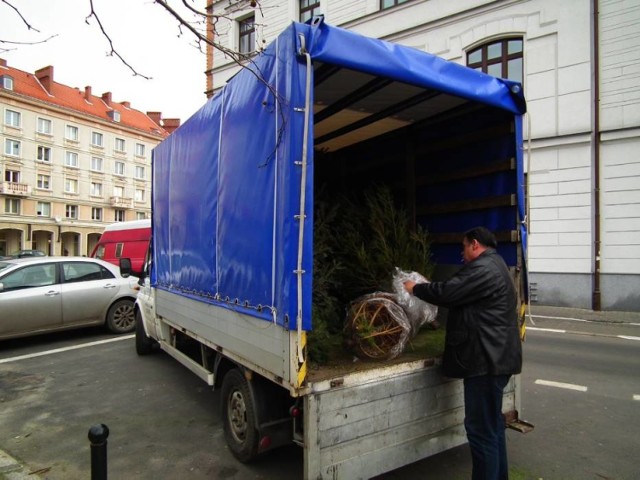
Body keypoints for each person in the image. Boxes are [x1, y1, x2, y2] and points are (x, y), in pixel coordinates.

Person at [404, 226, 522, 480]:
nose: (462, 253)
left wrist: (415, 288)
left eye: (464, 247)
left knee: (481, 432)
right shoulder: (496, 264)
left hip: (486, 361)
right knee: (492, 427)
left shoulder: (483, 268)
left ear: (475, 244)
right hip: (496, 358)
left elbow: (449, 293)